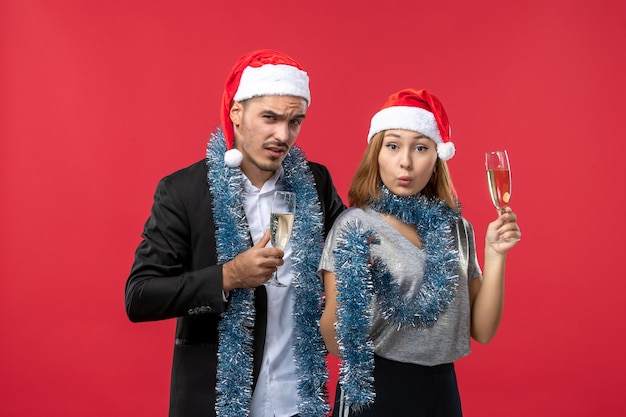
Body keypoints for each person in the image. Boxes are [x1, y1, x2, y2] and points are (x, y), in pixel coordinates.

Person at [125, 49, 345, 417]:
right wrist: (228, 276)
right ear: (237, 113)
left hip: (299, 400)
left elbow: (353, 239)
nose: (283, 135)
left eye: (295, 121)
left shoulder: (314, 182)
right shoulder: (183, 191)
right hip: (216, 402)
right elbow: (140, 296)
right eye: (270, 118)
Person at [319, 88, 521, 417]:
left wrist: (496, 254)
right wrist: (355, 282)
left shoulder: (457, 228)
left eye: (421, 148)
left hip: (441, 390)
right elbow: (334, 342)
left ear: (437, 157)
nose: (406, 162)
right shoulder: (355, 226)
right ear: (377, 154)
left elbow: (482, 330)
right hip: (374, 389)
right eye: (393, 145)